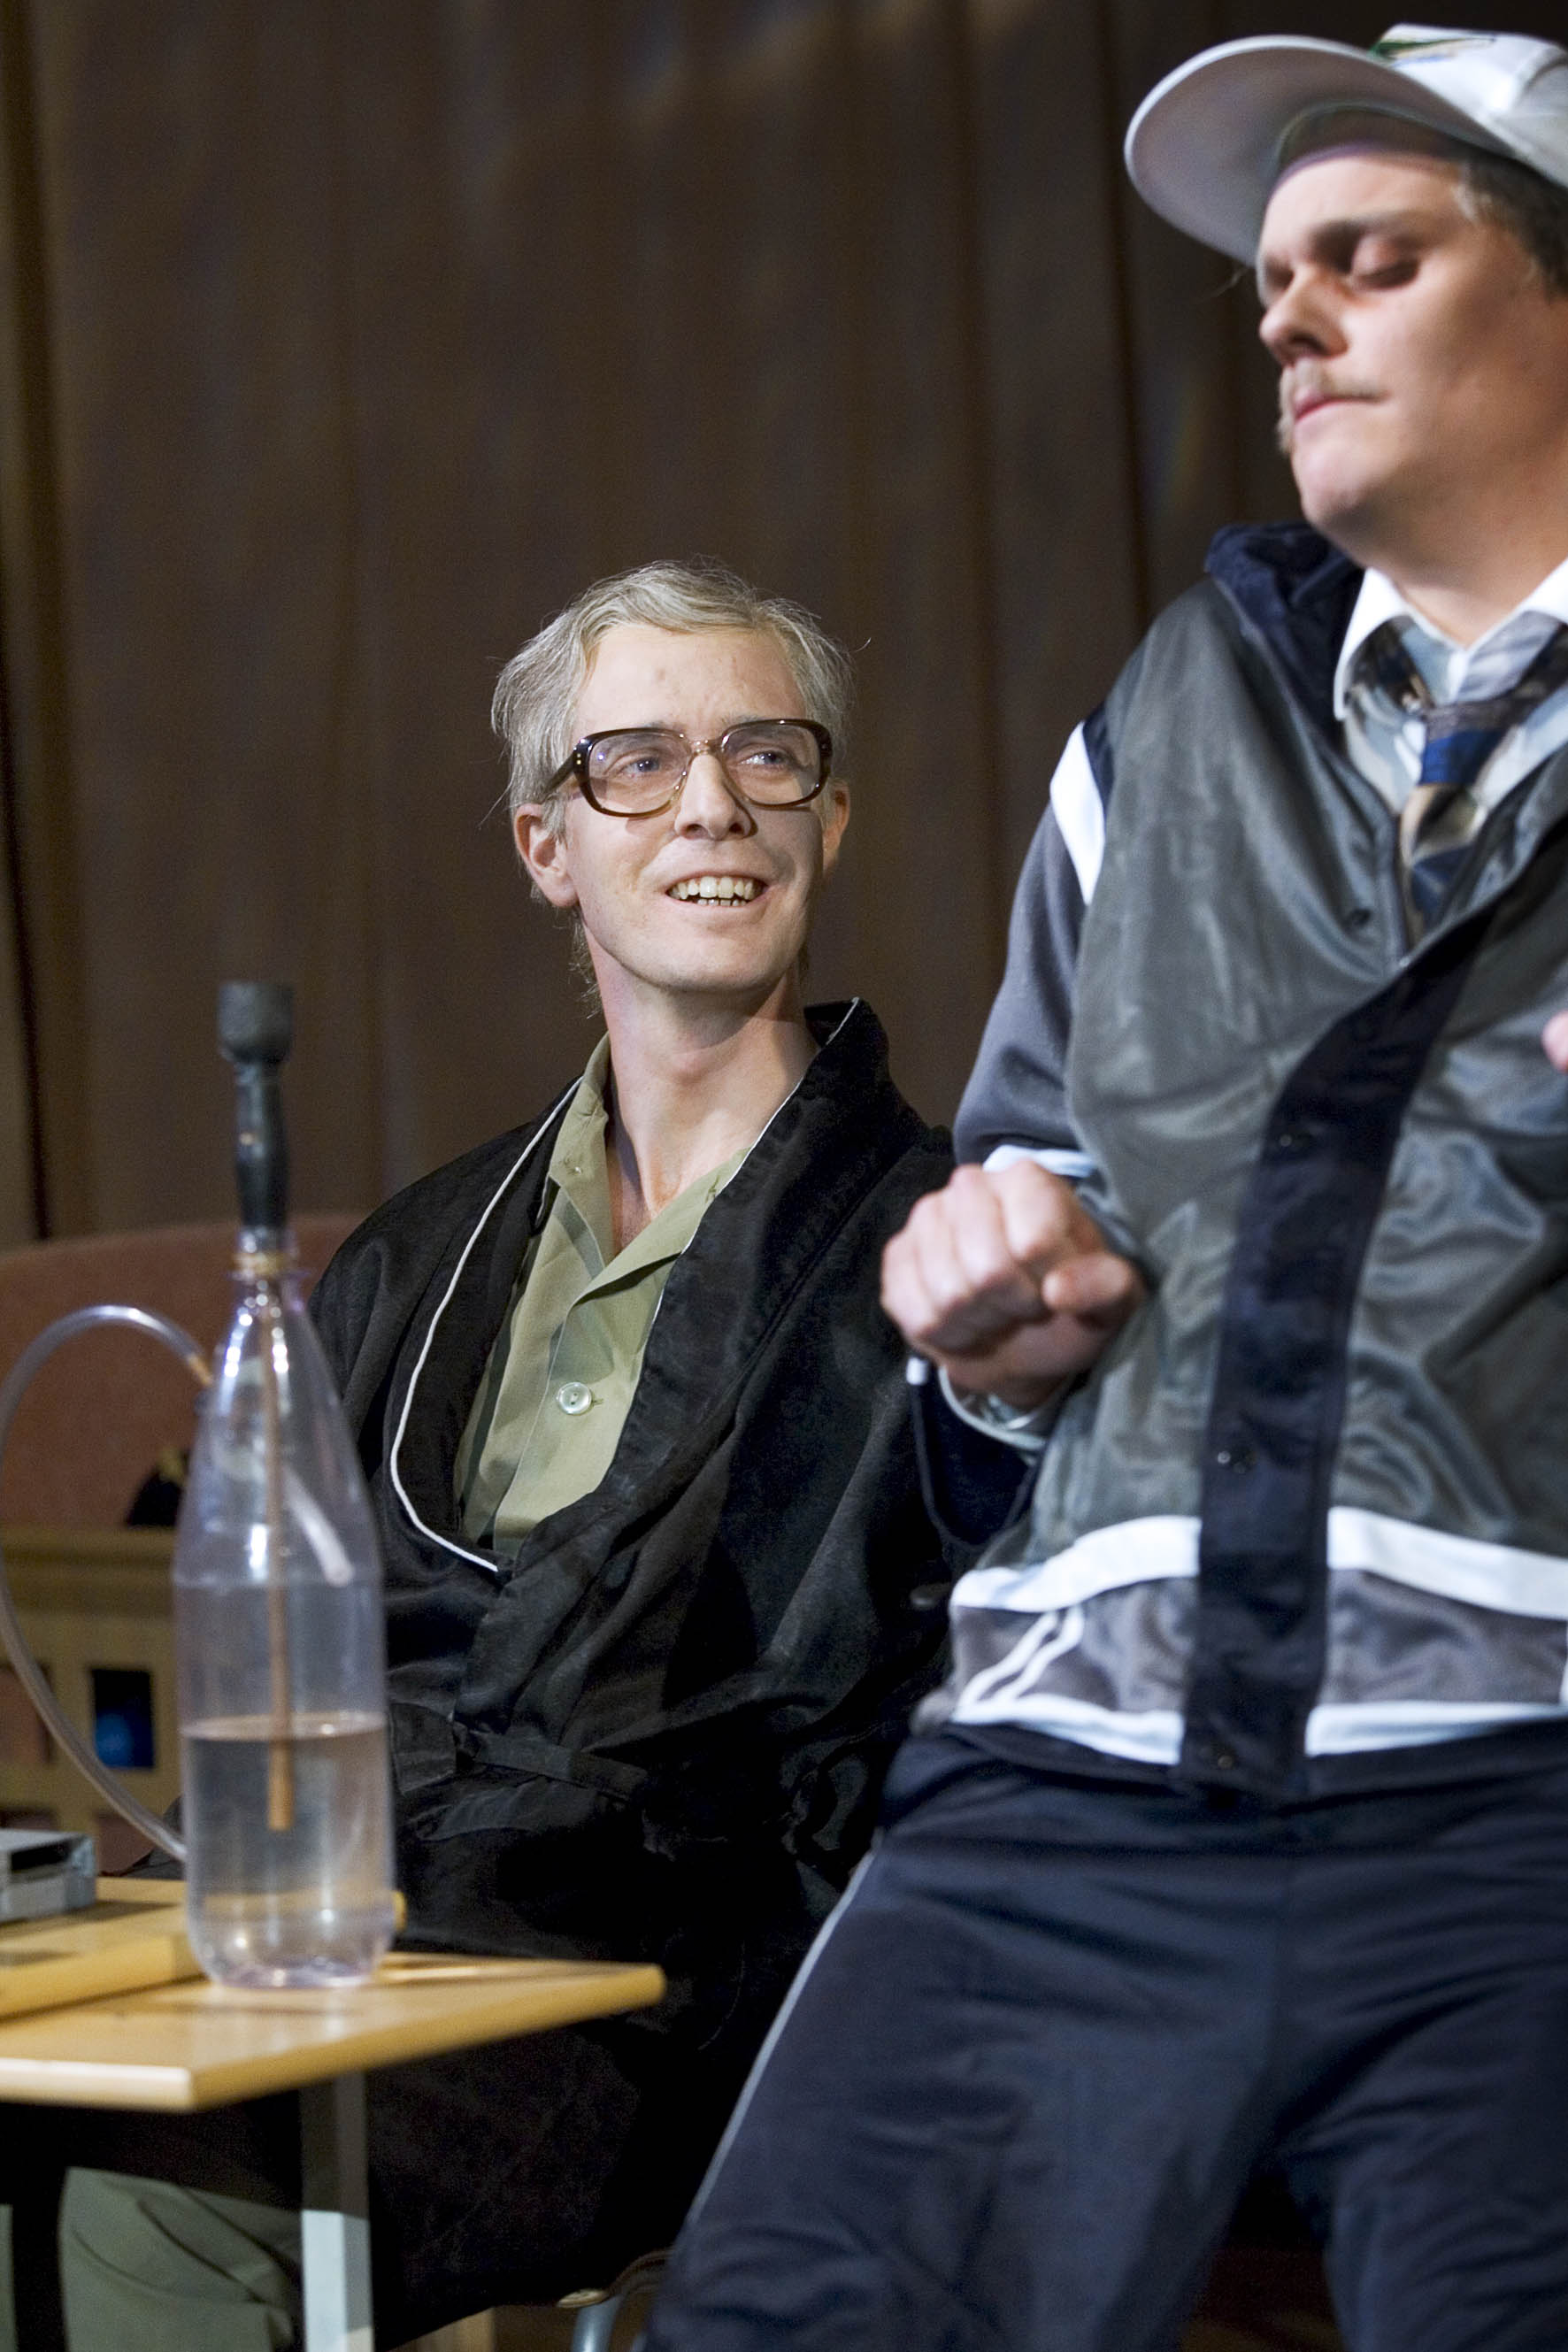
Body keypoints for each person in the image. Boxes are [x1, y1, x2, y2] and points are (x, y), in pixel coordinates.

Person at [646, 28, 1568, 2352]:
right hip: (1076, 1762)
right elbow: (1029, 1211)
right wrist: (995, 1323)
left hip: (1517, 1792)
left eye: (1370, 258)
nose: (1288, 316)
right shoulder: (1170, 718)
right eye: (1270, 280)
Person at [55, 563, 1004, 2350]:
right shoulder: (413, 1259)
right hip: (347, 1931)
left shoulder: (950, 1257)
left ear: (829, 818)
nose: (711, 802)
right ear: (546, 846)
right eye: (634, 762)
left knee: (154, 2199)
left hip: (670, 1984)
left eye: (766, 754)